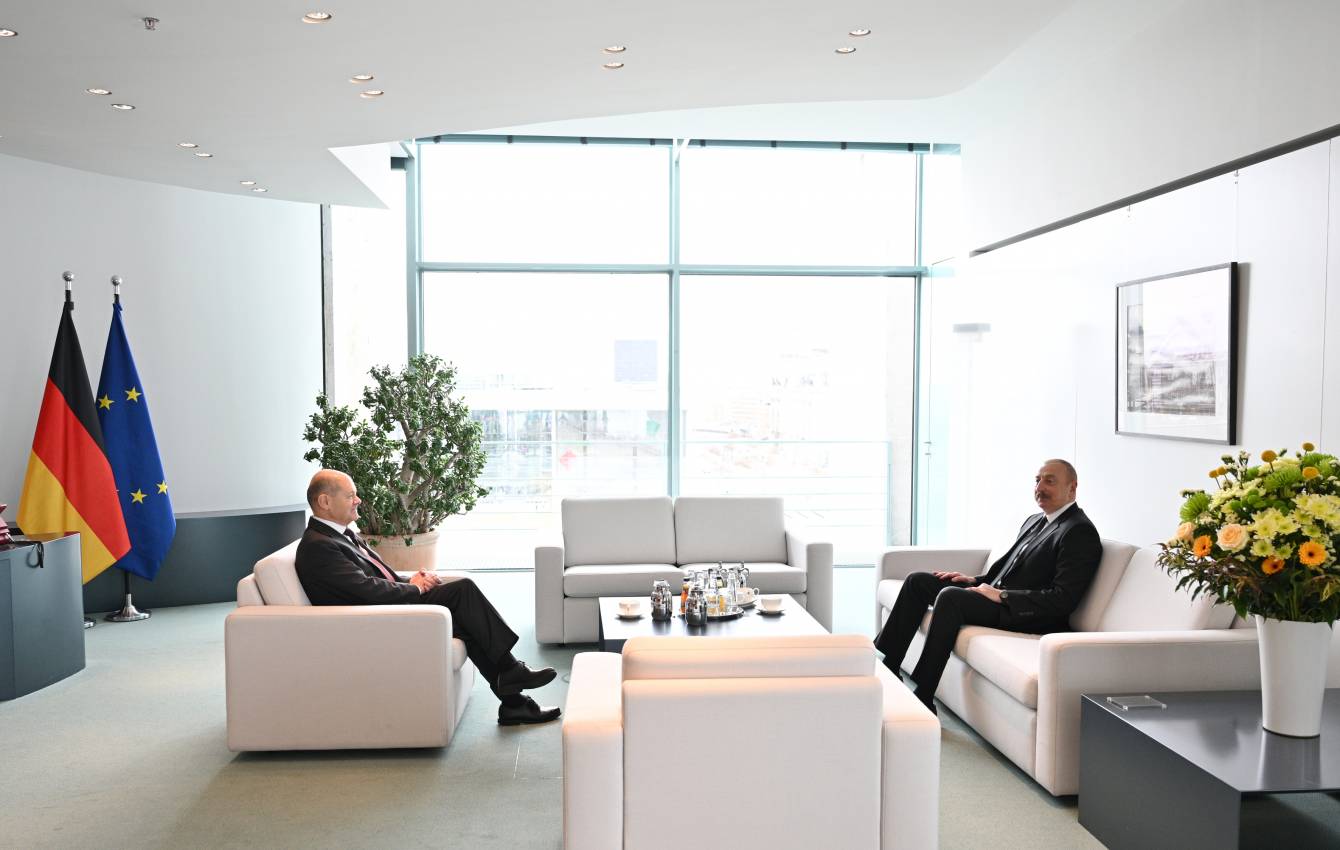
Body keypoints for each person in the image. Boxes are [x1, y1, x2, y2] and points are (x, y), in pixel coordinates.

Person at [295, 469, 561, 726]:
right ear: (325, 502)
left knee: (465, 619)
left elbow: (373, 579)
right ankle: (511, 671)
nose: (358, 500)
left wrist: (412, 580)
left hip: (382, 609)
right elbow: (366, 589)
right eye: (350, 495)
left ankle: (513, 703)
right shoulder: (319, 546)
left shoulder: (339, 535)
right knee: (462, 590)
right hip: (373, 621)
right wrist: (416, 589)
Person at [875, 459, 1102, 713]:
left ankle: (924, 696)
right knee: (917, 582)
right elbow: (1008, 568)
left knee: (950, 598)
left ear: (1072, 488)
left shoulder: (1079, 531)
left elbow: (1063, 599)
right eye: (1037, 480)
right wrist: (975, 581)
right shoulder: (1036, 520)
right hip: (998, 599)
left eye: (1049, 481)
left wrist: (1002, 595)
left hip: (1028, 614)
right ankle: (888, 667)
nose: (1040, 487)